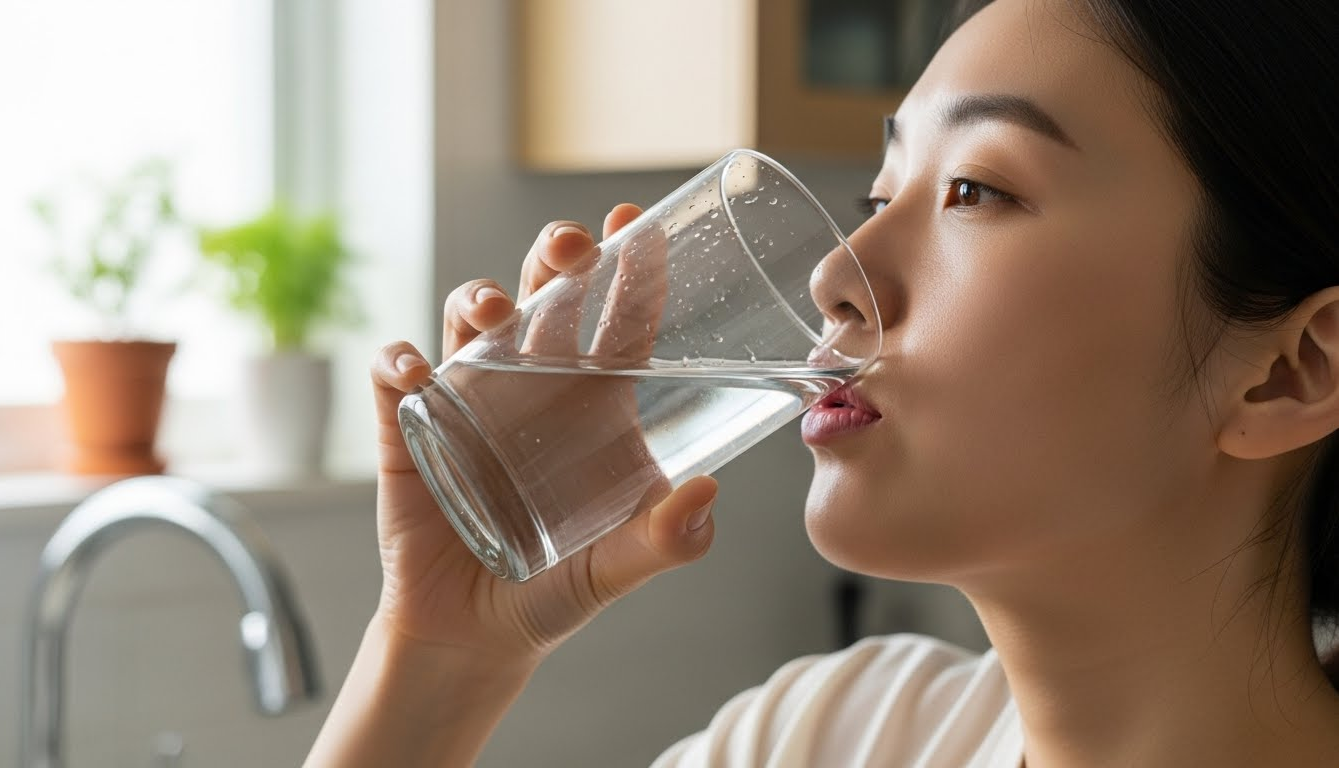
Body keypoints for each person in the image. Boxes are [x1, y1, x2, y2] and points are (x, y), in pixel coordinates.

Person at [306, 0, 1339, 764]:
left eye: (975, 188)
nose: (835, 276)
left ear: (1292, 371)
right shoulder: (833, 734)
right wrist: (441, 657)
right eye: (879, 192)